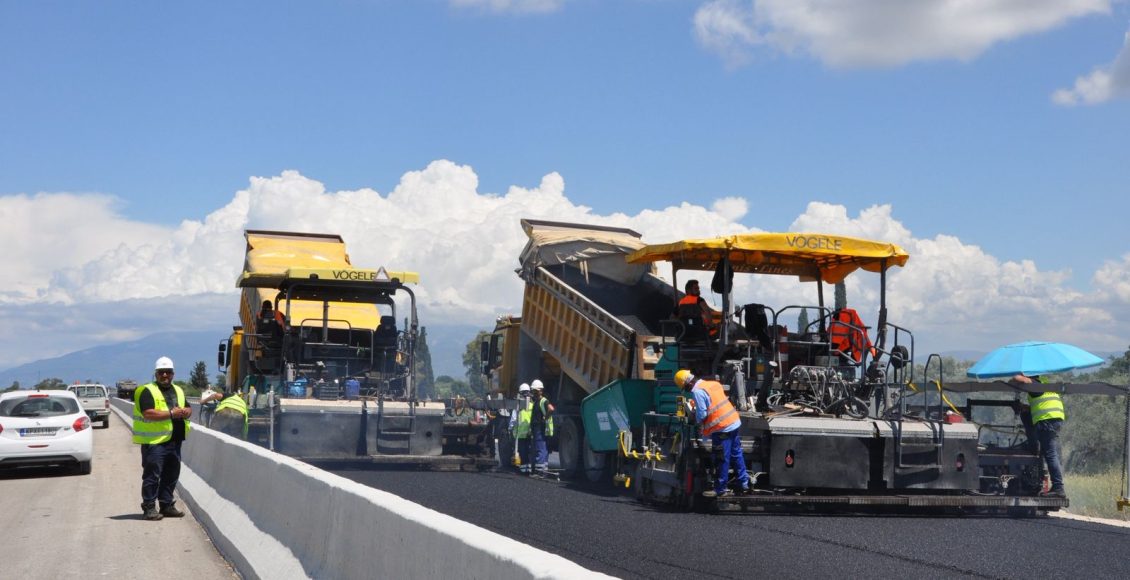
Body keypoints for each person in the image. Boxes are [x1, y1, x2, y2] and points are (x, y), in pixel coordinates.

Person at [133, 356, 192, 520]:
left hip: (175, 440)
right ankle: (149, 508)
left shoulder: (178, 390)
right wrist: (172, 413)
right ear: (156, 374)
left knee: (171, 475)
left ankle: (166, 505)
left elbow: (188, 407)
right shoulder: (146, 390)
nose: (165, 375)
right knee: (152, 476)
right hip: (155, 443)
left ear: (173, 374)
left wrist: (186, 411)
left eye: (168, 372)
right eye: (161, 372)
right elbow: (148, 413)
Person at [674, 369, 750, 497]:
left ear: (688, 384)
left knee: (721, 458)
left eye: (685, 388)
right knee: (736, 453)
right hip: (734, 422)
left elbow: (702, 414)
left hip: (722, 428)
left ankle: (720, 489)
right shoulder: (712, 384)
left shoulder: (697, 392)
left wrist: (695, 418)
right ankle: (744, 483)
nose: (686, 391)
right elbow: (714, 401)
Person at [1014, 373, 1066, 497]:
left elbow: (1020, 379)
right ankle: (1056, 487)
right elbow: (1041, 405)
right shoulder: (1044, 383)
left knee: (1050, 453)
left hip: (1046, 421)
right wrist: (1025, 408)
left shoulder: (1035, 384)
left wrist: (1016, 375)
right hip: (1054, 419)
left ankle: (1058, 488)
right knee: (1048, 452)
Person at [528, 379, 555, 475]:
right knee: (543, 448)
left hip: (540, 428)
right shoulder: (537, 401)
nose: (533, 392)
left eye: (534, 390)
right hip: (539, 428)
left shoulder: (543, 401)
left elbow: (551, 409)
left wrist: (544, 418)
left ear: (539, 390)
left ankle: (539, 471)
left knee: (540, 448)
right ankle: (543, 470)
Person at [509, 383, 532, 473]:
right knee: (528, 452)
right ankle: (528, 469)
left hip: (520, 434)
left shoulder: (518, 405)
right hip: (529, 433)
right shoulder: (531, 405)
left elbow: (513, 419)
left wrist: (510, 428)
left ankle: (523, 470)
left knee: (522, 452)